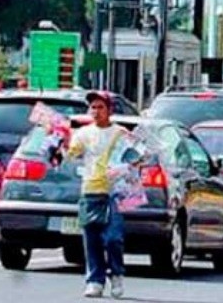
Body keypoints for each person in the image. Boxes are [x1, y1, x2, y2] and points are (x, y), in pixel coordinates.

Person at [56, 92, 136, 298]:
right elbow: (70, 155)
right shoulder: (83, 133)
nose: (96, 111)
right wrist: (62, 141)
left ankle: (116, 274)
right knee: (91, 238)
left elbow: (137, 158)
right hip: (90, 190)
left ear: (109, 110)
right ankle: (95, 280)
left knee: (113, 238)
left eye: (100, 107)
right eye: (93, 107)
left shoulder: (121, 133)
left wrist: (124, 168)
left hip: (114, 193)